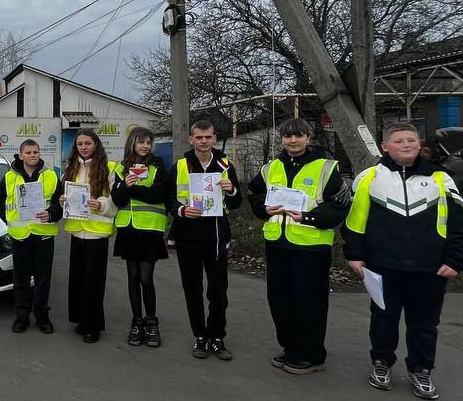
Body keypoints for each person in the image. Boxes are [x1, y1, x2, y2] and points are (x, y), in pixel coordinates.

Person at [343, 122, 463, 400]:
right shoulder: (369, 177)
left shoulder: (441, 178)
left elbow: (460, 224)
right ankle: (381, 363)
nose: (406, 145)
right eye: (399, 140)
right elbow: (355, 222)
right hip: (383, 266)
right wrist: (354, 255)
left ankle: (421, 370)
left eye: (411, 140)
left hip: (430, 268)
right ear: (385, 146)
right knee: (383, 320)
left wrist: (457, 260)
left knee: (424, 325)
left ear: (419, 145)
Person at [246, 118, 350, 375]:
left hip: (311, 247)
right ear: (281, 138)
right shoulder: (271, 167)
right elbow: (255, 195)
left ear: (308, 137)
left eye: (299, 135)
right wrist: (262, 208)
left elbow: (339, 205)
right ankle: (290, 348)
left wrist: (307, 217)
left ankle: (311, 354)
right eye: (288, 136)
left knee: (309, 302)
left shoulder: (326, 167)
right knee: (280, 300)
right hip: (278, 244)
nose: (293, 141)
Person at [168, 120, 241, 361]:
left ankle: (217, 336)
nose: (203, 141)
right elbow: (169, 200)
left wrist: (231, 190)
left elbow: (236, 202)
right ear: (191, 139)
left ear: (214, 138)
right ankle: (199, 335)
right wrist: (181, 210)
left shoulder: (225, 164)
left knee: (218, 291)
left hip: (217, 236)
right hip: (188, 235)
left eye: (208, 137)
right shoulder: (180, 165)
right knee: (193, 289)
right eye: (199, 137)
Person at [0, 139, 63, 334]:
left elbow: (59, 203)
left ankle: (42, 316)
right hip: (20, 236)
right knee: (21, 279)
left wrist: (51, 214)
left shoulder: (50, 176)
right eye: (29, 152)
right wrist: (8, 221)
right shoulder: (9, 177)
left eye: (36, 152)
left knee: (43, 279)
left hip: (43, 235)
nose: (32, 155)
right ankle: (22, 316)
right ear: (21, 154)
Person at [59, 129, 120, 344]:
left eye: (87, 143)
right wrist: (63, 201)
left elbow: (116, 201)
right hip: (77, 230)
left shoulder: (110, 167)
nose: (83, 147)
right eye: (80, 144)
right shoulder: (70, 168)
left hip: (97, 233)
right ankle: (81, 321)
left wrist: (101, 204)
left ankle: (94, 326)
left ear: (96, 144)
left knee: (94, 282)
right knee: (77, 280)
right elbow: (64, 194)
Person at [111, 127, 170, 348]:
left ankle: (152, 323)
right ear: (132, 144)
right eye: (141, 142)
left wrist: (132, 190)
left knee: (147, 278)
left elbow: (159, 195)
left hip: (150, 229)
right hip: (128, 229)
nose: (145, 146)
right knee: (133, 277)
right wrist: (126, 185)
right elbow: (117, 199)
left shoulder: (158, 166)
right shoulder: (121, 169)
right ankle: (137, 322)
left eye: (149, 142)